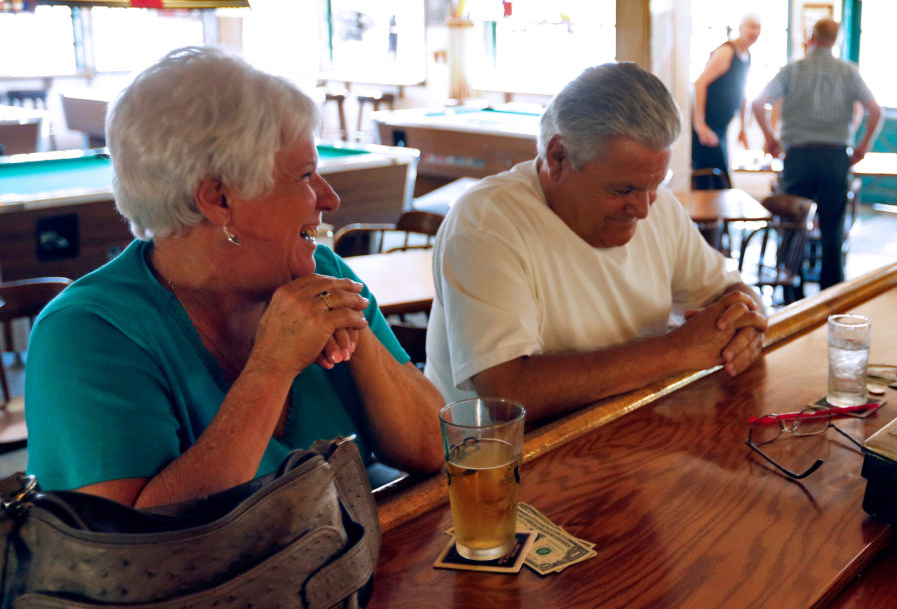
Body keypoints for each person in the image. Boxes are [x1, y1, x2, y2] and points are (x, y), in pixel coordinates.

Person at [26, 47, 444, 507]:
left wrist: (358, 337)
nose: (329, 198)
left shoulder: (320, 274)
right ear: (219, 200)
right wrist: (272, 367)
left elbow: (438, 447)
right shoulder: (86, 333)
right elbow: (129, 544)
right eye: (305, 175)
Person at [423, 62, 768, 422]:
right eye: (622, 189)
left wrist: (747, 324)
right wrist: (675, 351)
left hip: (625, 437)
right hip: (496, 465)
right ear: (558, 157)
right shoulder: (487, 223)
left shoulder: (657, 204)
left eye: (655, 185)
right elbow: (507, 393)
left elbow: (732, 292)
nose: (642, 208)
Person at [750, 18, 883, 290]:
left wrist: (770, 139)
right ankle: (831, 293)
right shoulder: (848, 72)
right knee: (833, 228)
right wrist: (863, 146)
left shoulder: (792, 70)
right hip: (835, 158)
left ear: (812, 37)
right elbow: (876, 110)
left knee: (793, 224)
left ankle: (790, 288)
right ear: (837, 40)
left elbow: (758, 102)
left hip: (798, 158)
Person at [692, 14, 762, 188]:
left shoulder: (747, 56)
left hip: (721, 128)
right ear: (741, 28)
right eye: (751, 26)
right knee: (717, 184)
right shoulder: (727, 52)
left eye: (758, 27)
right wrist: (700, 124)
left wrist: (743, 128)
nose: (755, 31)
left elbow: (743, 94)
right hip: (707, 128)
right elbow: (700, 83)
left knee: (721, 183)